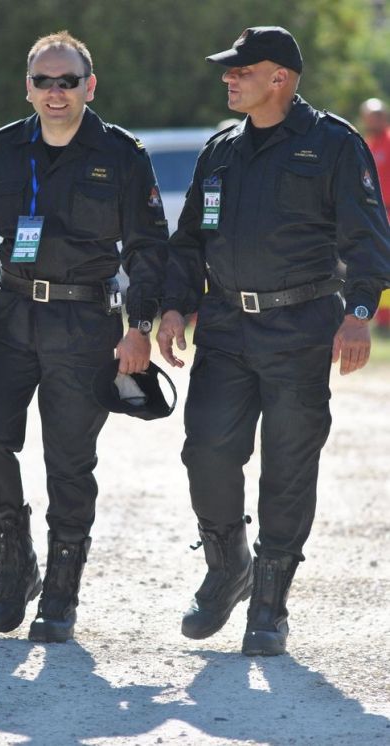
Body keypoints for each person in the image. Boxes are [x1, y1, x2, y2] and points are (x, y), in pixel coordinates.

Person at [0, 30, 168, 643]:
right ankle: (15, 568)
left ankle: (61, 594)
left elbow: (149, 250)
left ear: (89, 86)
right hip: (11, 316)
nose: (55, 91)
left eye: (67, 81)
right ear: (28, 87)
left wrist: (139, 328)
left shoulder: (122, 155)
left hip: (85, 326)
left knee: (69, 463)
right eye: (43, 81)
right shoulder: (3, 148)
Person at [157, 26, 390, 656]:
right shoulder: (220, 151)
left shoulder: (334, 145)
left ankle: (269, 602)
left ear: (279, 78)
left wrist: (358, 313)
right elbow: (189, 241)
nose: (228, 79)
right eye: (229, 71)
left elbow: (368, 238)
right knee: (207, 451)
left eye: (242, 71)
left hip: (301, 328)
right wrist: (174, 305)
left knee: (288, 467)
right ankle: (227, 565)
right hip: (227, 327)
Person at [359, 97, 390, 333]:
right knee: (381, 264)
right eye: (369, 117)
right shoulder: (367, 144)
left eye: (376, 116)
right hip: (376, 215)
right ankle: (384, 319)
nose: (372, 121)